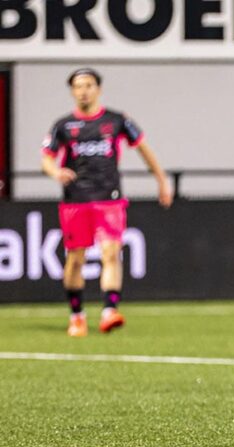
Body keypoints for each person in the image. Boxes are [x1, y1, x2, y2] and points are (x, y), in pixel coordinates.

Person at [40, 68, 173, 337]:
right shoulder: (63, 126)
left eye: (89, 85)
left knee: (111, 253)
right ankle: (77, 316)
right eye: (78, 86)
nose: (84, 91)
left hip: (109, 198)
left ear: (98, 89)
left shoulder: (117, 120)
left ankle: (109, 311)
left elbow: (143, 148)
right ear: (72, 92)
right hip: (76, 200)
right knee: (75, 258)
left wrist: (161, 180)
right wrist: (55, 172)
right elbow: (46, 158)